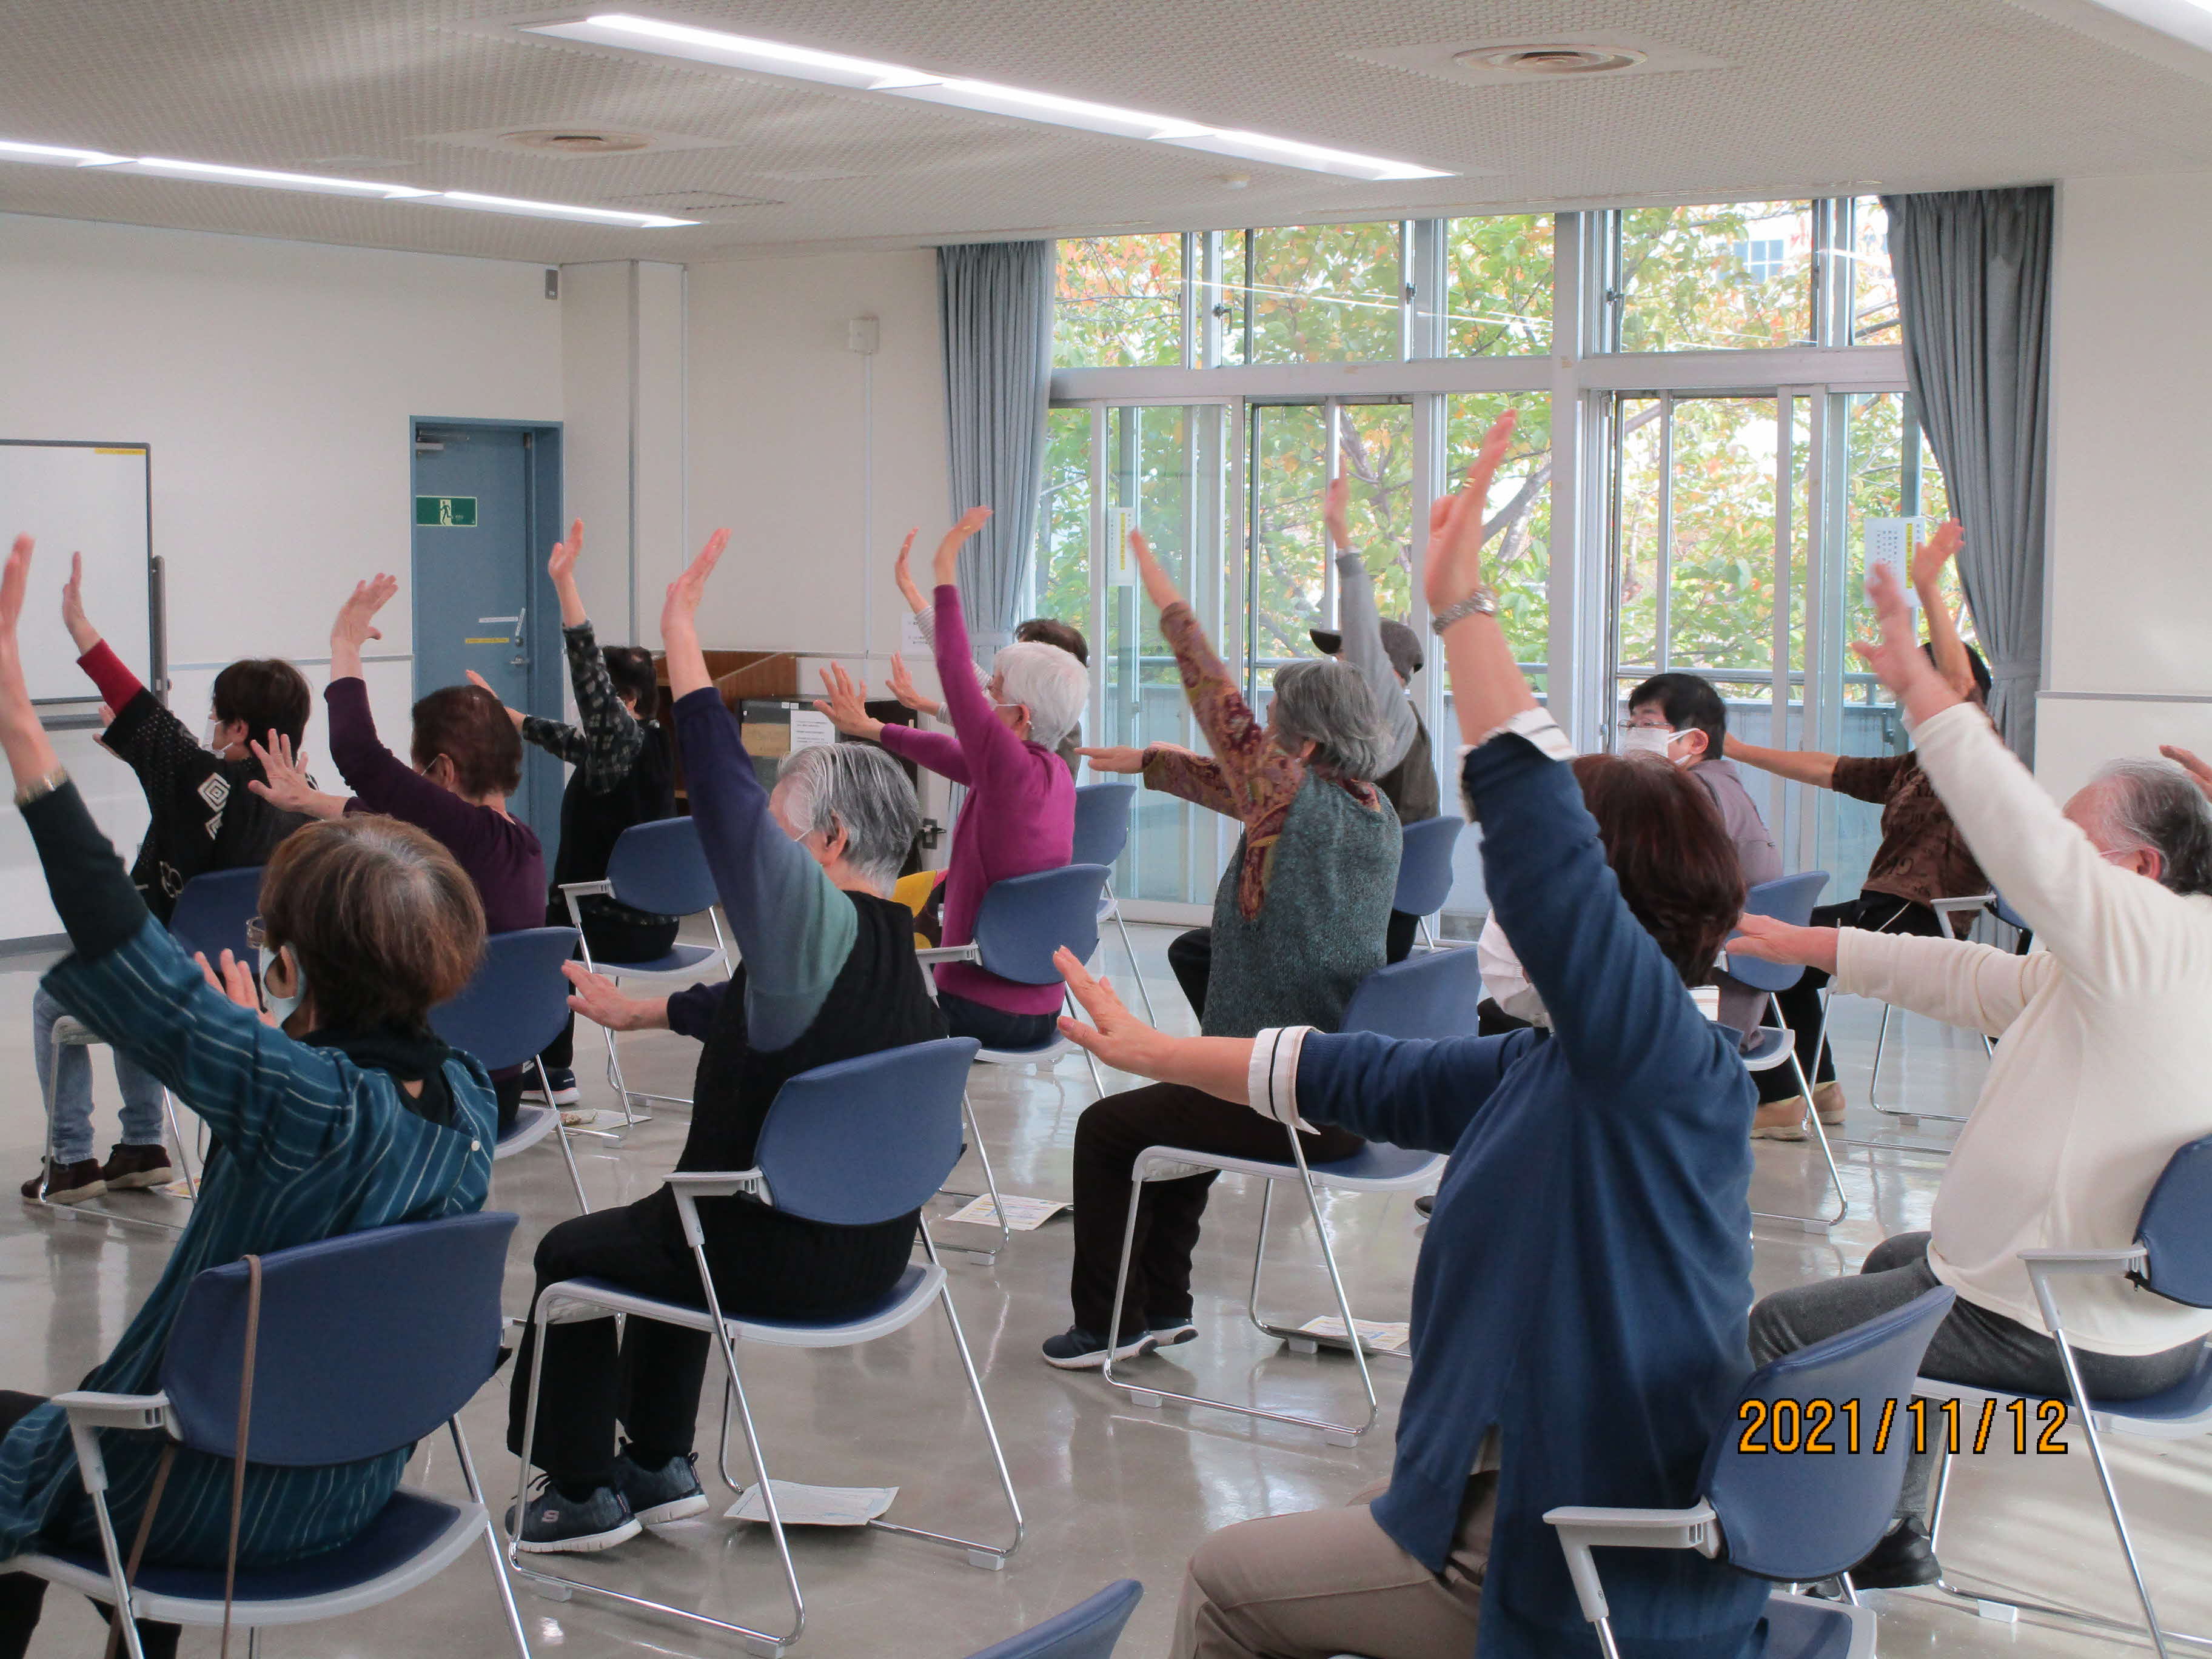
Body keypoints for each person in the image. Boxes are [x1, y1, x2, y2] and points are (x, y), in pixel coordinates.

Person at [1052, 410, 1768, 1659]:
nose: (1501, 906)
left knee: (1225, 1579)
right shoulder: (1573, 1067)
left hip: (1551, 1545)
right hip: (1565, 1491)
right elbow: (1342, 1068)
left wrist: (1464, 611)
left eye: (1532, 891)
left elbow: (1548, 851)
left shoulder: (1645, 1057)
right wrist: (1156, 1055)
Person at [0, 534, 494, 1659]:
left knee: (35, 1447)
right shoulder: (465, 1106)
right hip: (355, 1485)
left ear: (294, 962)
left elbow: (125, 949)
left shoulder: (298, 1099)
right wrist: (265, 1043)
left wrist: (20, 721)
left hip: (213, 1509)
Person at [1735, 557, 2212, 1590]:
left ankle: (1771, 1552)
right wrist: (1806, 944)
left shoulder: (2141, 945)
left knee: (1781, 1330)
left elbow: (2018, 837)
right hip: (2140, 1319)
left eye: (2076, 845)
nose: (2044, 864)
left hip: (2063, 1324)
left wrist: (1926, 696)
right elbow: (1975, 978)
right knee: (1890, 1263)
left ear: (2136, 875)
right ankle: (1887, 1534)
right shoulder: (2146, 958)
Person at [503, 529, 947, 1553]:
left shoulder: (807, 924)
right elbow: (766, 1013)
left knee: (577, 1253)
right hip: (870, 1248)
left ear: (829, 844)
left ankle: (577, 1492)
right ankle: (658, 1462)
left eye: (782, 839)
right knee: (668, 1225)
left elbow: (720, 787)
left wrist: (678, 640)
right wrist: (649, 1009)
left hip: (779, 1254)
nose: (760, 854)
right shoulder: (895, 937)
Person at [1049, 529, 1399, 1369]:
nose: (1260, 731)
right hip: (1334, 1088)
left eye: (1276, 725)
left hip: (1289, 1099)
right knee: (1186, 1082)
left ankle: (1109, 1323)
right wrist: (1156, 762)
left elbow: (1222, 712)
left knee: (1107, 1129)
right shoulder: (1366, 806)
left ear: (1304, 748)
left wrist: (1168, 599)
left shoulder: (1290, 797)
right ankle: (1163, 1307)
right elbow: (1242, 790)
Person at [21, 555, 316, 1205]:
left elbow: (137, 707)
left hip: (175, 984)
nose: (210, 725)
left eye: (218, 715)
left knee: (54, 999)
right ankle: (140, 1148)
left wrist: (77, 624)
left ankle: (71, 1159)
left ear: (237, 727)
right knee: (140, 956)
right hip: (262, 988)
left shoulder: (193, 779)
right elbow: (155, 737)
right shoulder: (310, 799)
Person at [1724, 519, 1991, 1135]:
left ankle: (1786, 1097)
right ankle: (1815, 1089)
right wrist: (1736, 746)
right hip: (1886, 909)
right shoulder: (1915, 763)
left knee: (1762, 948)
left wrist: (1927, 588)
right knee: (1774, 939)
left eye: (1908, 684)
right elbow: (1828, 768)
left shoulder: (1971, 750)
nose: (1900, 695)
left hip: (1916, 918)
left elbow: (1957, 684)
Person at [248, 575, 545, 1128]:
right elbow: (396, 822)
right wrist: (311, 800)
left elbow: (357, 752)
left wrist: (344, 646)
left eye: (418, 770)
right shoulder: (519, 843)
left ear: (446, 772)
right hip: (494, 1089)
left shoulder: (468, 834)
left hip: (431, 1095)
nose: (412, 780)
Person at [815, 508, 1084, 1053]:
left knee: (849, 956)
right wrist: (873, 727)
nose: (986, 697)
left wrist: (944, 569)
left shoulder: (1012, 769)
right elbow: (949, 752)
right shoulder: (1049, 772)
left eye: (997, 692)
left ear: (1021, 715)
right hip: (1040, 1006)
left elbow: (958, 671)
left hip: (979, 1005)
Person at [469, 521, 677, 1106]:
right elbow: (569, 738)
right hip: (654, 924)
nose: (592, 710)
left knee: (537, 938)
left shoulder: (620, 739)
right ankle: (545, 1069)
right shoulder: (651, 742)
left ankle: (549, 1072)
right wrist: (507, 715)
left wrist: (565, 586)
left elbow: (585, 669)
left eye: (606, 702)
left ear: (626, 703)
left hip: (608, 921)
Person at [1310, 477, 1441, 965]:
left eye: (1347, 658)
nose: (1339, 668)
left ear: (1385, 673)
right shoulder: (1391, 726)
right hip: (1391, 908)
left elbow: (1363, 622)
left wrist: (1342, 537)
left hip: (1370, 917)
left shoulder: (1387, 714)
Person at [888, 525, 1093, 774]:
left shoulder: (1024, 761)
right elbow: (974, 684)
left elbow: (964, 683)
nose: (1002, 677)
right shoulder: (1050, 725)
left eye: (1020, 659)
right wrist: (910, 591)